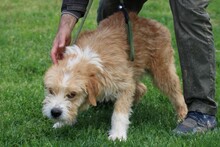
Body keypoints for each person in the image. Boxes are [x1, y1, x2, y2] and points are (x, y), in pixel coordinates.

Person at [50, 0, 217, 134]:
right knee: (111, 6)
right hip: (114, 57)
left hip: (152, 41)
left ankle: (199, 110)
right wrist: (66, 23)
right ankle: (108, 95)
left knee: (190, 11)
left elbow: (126, 85)